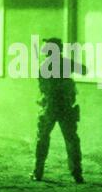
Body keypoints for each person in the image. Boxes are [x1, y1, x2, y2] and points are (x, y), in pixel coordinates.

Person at [31, 37, 87, 184]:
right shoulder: (66, 63)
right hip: (65, 107)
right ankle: (77, 174)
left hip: (49, 107)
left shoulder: (44, 66)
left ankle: (38, 172)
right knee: (72, 140)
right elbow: (84, 70)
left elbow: (43, 87)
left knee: (42, 138)